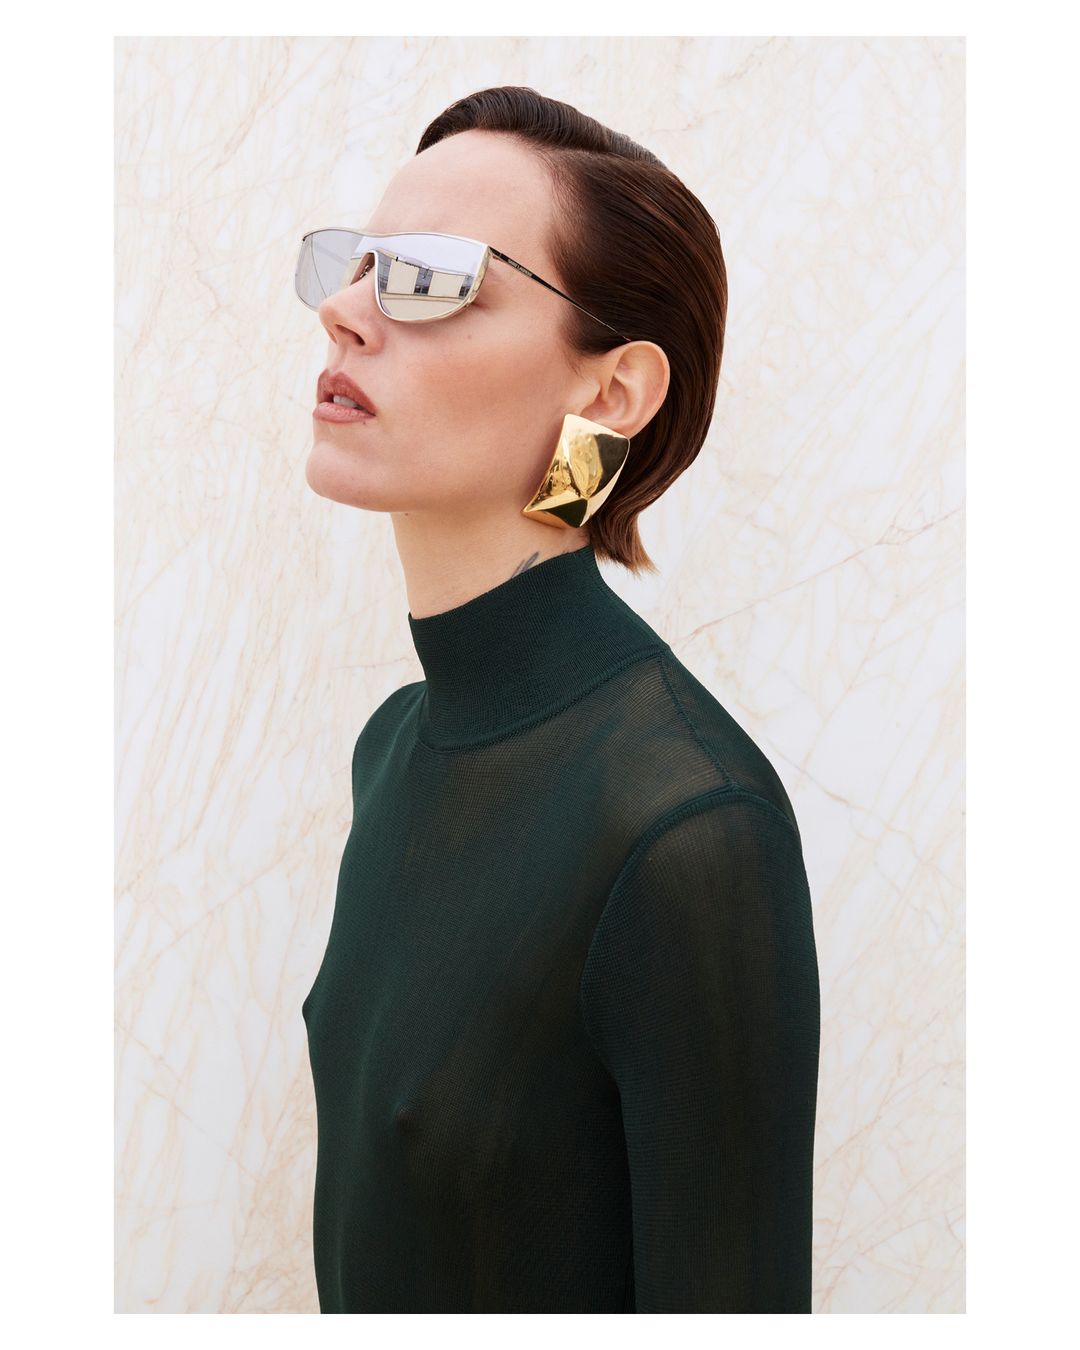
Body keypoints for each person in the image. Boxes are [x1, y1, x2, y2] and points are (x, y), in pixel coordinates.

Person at [296, 85, 821, 1314]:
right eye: (359, 265)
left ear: (613, 393)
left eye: (429, 280)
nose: (346, 311)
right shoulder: (392, 750)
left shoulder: (689, 829)